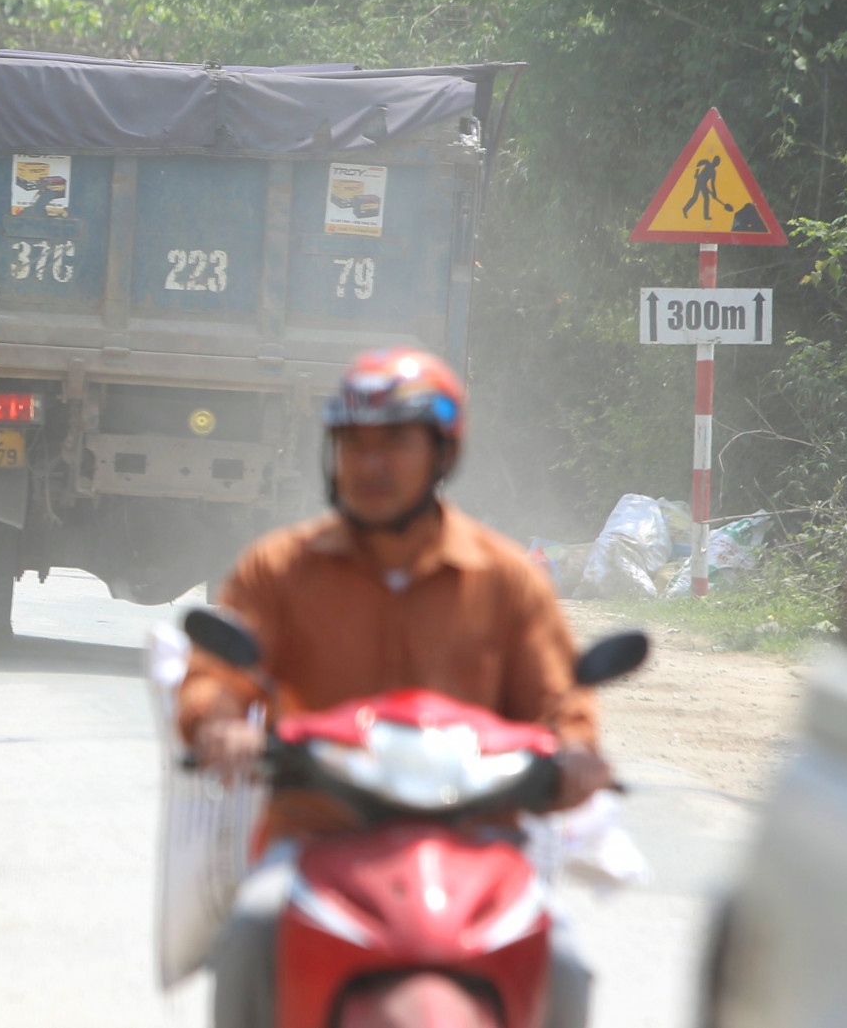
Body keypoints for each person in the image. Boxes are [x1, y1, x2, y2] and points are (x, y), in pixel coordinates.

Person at [180, 348, 608, 1028]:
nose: (369, 464)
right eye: (353, 442)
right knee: (251, 930)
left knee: (567, 960)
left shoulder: (507, 579)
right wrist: (218, 722)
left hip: (478, 839)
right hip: (319, 834)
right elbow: (215, 675)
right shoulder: (279, 568)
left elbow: (561, 701)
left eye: (394, 443)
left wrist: (578, 749)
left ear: (443, 452)